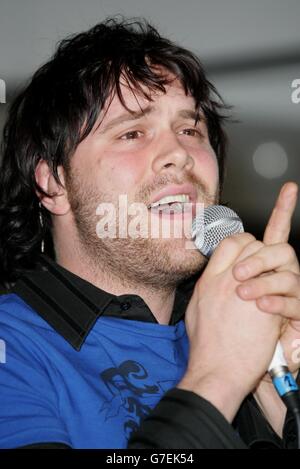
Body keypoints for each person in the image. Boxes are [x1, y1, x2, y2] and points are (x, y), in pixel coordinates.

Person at [0, 17, 299, 450]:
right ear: (53, 184)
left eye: (190, 129)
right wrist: (218, 379)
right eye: (133, 132)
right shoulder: (14, 346)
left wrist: (281, 406)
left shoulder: (244, 335)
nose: (179, 153)